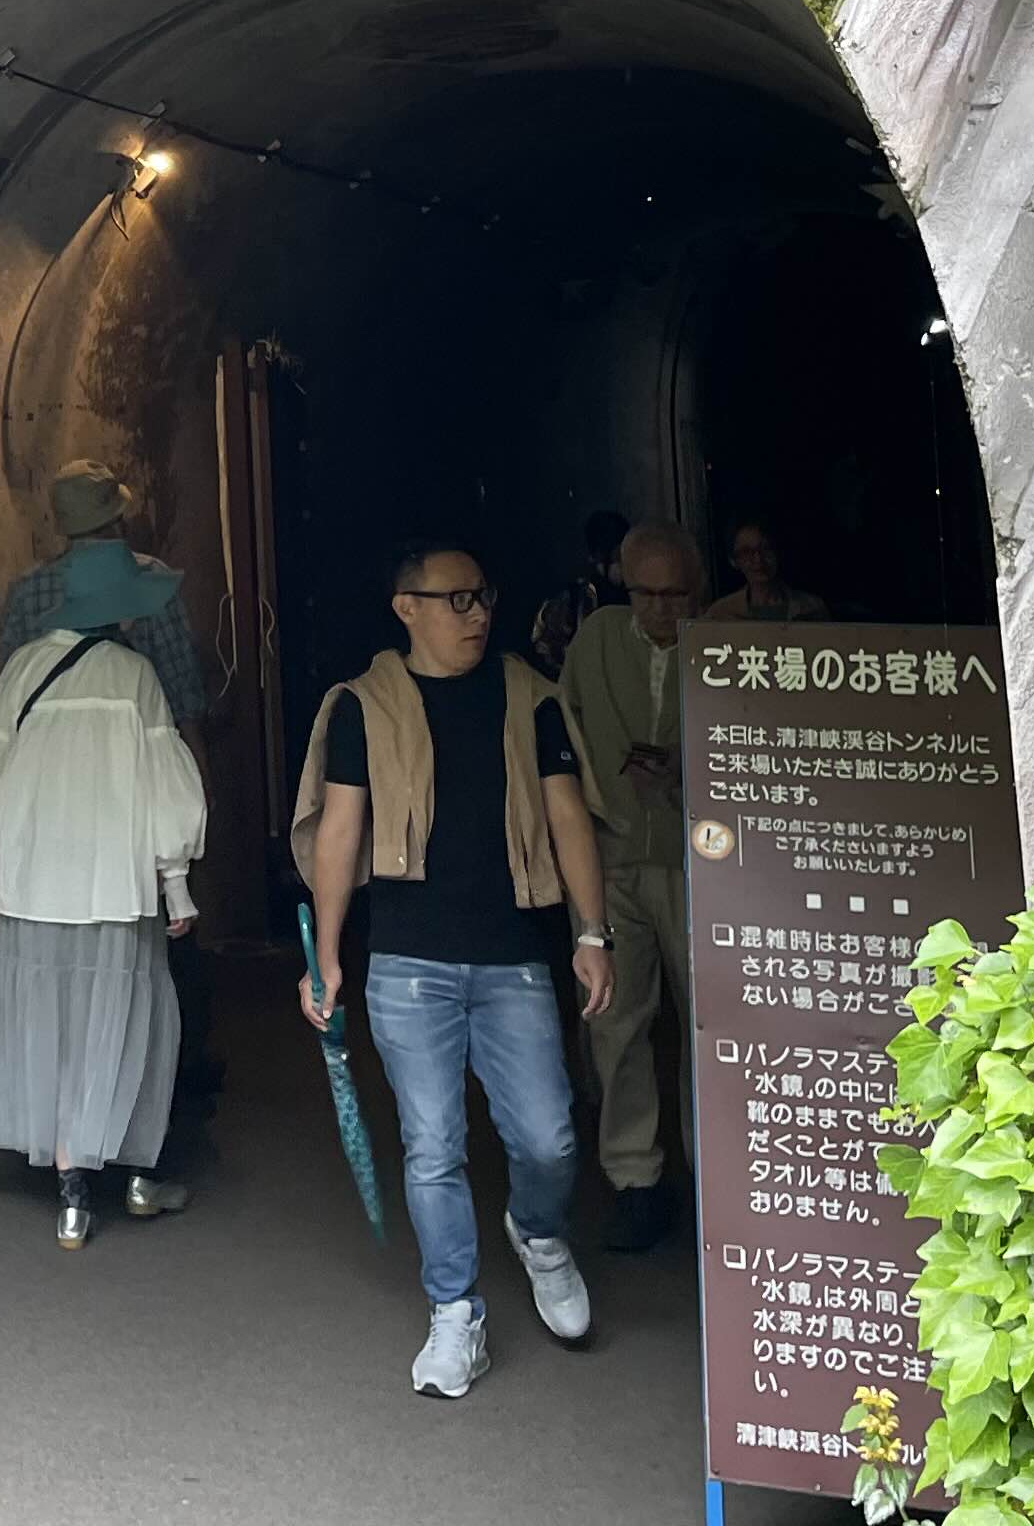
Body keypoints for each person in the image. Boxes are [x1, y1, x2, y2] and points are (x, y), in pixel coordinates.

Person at [291, 545, 617, 1399]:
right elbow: (340, 831)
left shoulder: (530, 697)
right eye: (457, 599)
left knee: (549, 1138)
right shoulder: (365, 706)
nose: (478, 614)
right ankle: (454, 1311)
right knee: (432, 1145)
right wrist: (327, 955)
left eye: (484, 597)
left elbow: (567, 817)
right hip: (407, 962)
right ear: (407, 607)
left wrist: (592, 932)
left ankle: (538, 1233)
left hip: (512, 957)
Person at [0, 609, 209, 1250]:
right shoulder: (136, 674)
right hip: (115, 884)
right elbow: (165, 790)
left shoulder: (23, 669)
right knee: (127, 1024)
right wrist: (176, 884)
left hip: (34, 886)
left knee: (53, 1027)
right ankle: (138, 1177)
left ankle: (71, 1199)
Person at [558, 521, 702, 1251]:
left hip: (698, 860)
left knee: (710, 1022)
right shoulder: (597, 639)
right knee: (615, 1020)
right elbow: (563, 734)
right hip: (611, 854)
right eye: (646, 593)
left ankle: (715, 1175)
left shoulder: (720, 644)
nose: (660, 608)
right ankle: (633, 1177)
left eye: (674, 595)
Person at [0, 460, 212, 723]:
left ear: (62, 525)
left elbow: (8, 692)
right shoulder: (152, 582)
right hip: (136, 739)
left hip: (47, 741)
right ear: (117, 519)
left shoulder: (26, 592)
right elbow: (183, 699)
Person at [526, 508, 628, 675]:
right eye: (617, 555)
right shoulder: (575, 601)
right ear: (597, 556)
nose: (624, 563)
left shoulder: (635, 594)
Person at [696, 520, 828, 625]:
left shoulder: (812, 608)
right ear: (734, 560)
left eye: (766, 548)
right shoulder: (721, 613)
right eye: (747, 552)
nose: (758, 559)